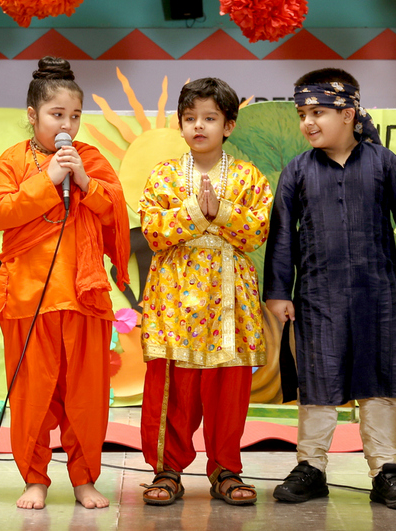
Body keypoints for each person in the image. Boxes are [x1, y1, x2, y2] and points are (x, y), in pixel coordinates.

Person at [264, 68, 396, 511]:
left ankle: (387, 470)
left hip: (378, 296)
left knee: (379, 380)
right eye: (303, 113)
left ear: (348, 114)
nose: (308, 122)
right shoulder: (298, 171)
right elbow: (281, 235)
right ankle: (311, 467)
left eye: (318, 112)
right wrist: (278, 291)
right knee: (318, 380)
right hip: (317, 299)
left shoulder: (384, 164)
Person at [0, 56, 131, 510]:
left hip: (84, 297)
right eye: (56, 115)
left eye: (74, 116)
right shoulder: (12, 161)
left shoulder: (90, 159)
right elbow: (0, 212)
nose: (66, 125)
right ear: (33, 116)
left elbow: (117, 214)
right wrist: (47, 179)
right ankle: (35, 479)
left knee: (86, 398)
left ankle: (85, 479)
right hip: (29, 302)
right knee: (33, 398)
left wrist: (84, 182)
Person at [137, 78, 273, 506]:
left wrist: (223, 211)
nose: (199, 126)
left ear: (228, 125)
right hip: (175, 295)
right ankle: (167, 469)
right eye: (190, 118)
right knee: (171, 387)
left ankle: (226, 468)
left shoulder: (249, 176)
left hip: (228, 297)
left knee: (227, 386)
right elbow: (153, 231)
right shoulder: (163, 176)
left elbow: (258, 231)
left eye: (210, 118)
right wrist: (198, 211)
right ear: (180, 124)